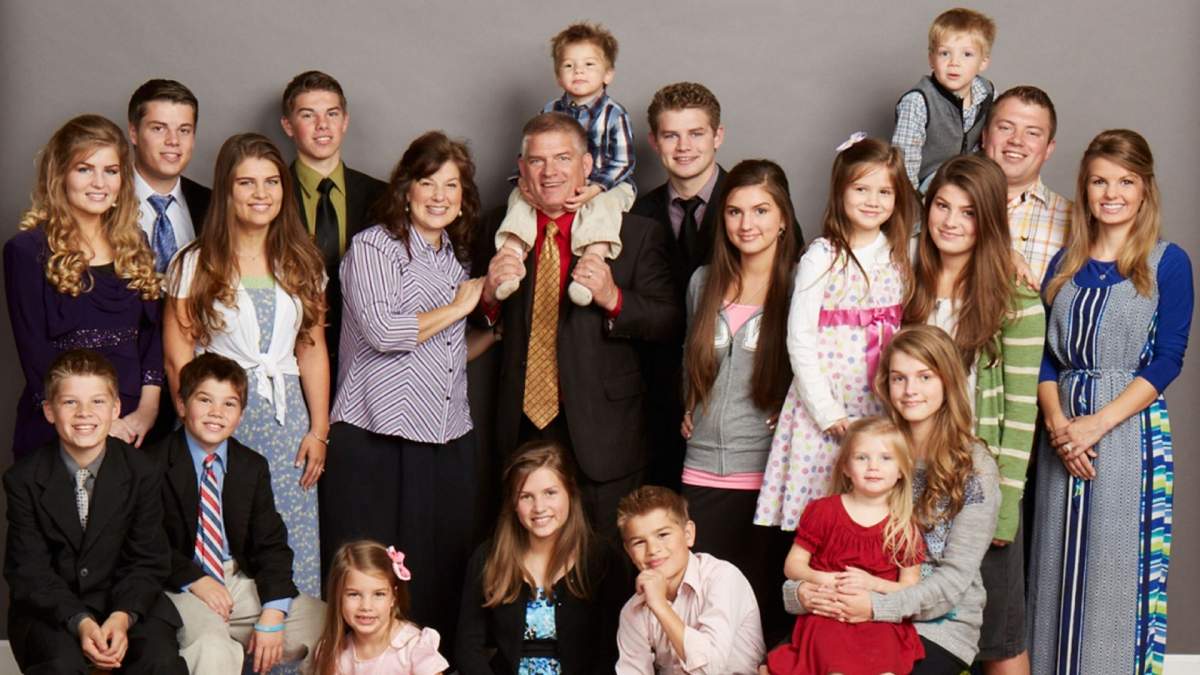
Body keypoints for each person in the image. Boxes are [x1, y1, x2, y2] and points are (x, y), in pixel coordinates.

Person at [1028, 129, 1193, 674]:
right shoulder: (1063, 264)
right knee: (1053, 567)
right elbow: (1043, 358)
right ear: (1085, 188)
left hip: (1127, 435)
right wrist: (1060, 426)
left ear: (1145, 189)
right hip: (1060, 437)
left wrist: (1095, 425)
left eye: (1125, 181)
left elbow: (1167, 360)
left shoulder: (1167, 262)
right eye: (1099, 181)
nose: (1111, 193)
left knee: (1116, 567)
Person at [474, 112, 682, 538]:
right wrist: (489, 296)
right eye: (537, 161)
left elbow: (669, 321)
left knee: (606, 555)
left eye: (563, 159)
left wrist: (613, 297)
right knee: (528, 550)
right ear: (522, 168)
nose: (549, 172)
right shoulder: (498, 229)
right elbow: (477, 321)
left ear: (587, 165)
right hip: (522, 425)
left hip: (605, 432)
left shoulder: (635, 232)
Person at [325, 130, 486, 657]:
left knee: (436, 572)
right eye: (428, 182)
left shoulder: (455, 257)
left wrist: (492, 333)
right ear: (406, 188)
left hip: (445, 437)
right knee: (372, 576)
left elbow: (442, 352)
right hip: (377, 436)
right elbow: (384, 331)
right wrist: (460, 308)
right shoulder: (375, 246)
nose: (440, 196)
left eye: (451, 185)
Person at [164, 132, 329, 598]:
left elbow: (312, 347)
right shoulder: (194, 263)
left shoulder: (302, 262)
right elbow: (178, 357)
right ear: (226, 190)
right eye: (247, 183)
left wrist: (318, 430)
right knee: (225, 531)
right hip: (218, 417)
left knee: (288, 535)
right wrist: (198, 429)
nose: (261, 194)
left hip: (286, 424)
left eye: (271, 181)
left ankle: (287, 639)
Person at [784, 326, 1001, 673]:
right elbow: (830, 546)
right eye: (899, 378)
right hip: (845, 612)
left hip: (937, 625)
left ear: (948, 381)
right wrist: (799, 595)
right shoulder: (872, 450)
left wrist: (875, 607)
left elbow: (954, 580)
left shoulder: (974, 467)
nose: (910, 390)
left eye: (925, 377)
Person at [904, 154, 1045, 673]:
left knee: (998, 638)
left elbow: (1021, 412)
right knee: (920, 623)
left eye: (968, 212)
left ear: (989, 221)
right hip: (912, 479)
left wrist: (1006, 506)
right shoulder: (906, 282)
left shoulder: (1015, 298)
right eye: (942, 206)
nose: (951, 222)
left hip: (978, 485)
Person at [757, 135, 916, 531]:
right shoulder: (822, 256)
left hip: (879, 405)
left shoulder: (900, 256)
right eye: (861, 189)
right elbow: (800, 339)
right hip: (826, 407)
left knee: (873, 513)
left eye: (884, 191)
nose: (872, 200)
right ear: (840, 191)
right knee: (823, 515)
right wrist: (827, 412)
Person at [3, 350, 185, 673]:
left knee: (159, 659)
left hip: (127, 602)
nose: (84, 413)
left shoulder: (143, 471)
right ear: (49, 411)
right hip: (53, 609)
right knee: (60, 664)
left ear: (115, 409)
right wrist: (80, 621)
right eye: (70, 402)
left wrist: (122, 616)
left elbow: (148, 560)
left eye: (97, 402)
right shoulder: (24, 478)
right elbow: (29, 570)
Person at [678, 159, 798, 640]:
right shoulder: (702, 282)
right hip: (700, 469)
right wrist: (689, 403)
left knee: (761, 615)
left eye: (761, 210)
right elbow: (689, 358)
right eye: (734, 211)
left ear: (783, 218)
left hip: (766, 477)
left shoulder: (802, 284)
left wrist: (790, 411)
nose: (747, 224)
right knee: (706, 614)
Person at [5, 114, 164, 459]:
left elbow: (152, 338)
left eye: (111, 170)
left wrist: (147, 411)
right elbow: (34, 354)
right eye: (84, 169)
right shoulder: (27, 250)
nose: (99, 183)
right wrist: (101, 424)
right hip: (63, 424)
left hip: (133, 426)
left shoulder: (135, 244)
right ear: (60, 174)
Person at [154, 353, 325, 673]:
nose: (216, 413)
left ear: (241, 415)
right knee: (214, 647)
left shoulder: (251, 466)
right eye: (205, 400)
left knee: (327, 624)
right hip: (177, 585)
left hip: (234, 579)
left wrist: (273, 612)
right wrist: (195, 579)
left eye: (229, 404)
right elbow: (146, 543)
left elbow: (272, 545)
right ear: (181, 404)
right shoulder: (151, 464)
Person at [766, 416, 925, 675]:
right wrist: (821, 578)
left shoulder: (904, 526)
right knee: (835, 666)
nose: (873, 466)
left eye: (886, 458)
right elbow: (793, 566)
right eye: (862, 457)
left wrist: (873, 584)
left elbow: (910, 587)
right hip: (827, 614)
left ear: (901, 471)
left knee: (885, 668)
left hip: (878, 619)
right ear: (846, 467)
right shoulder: (823, 511)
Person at [494, 21, 636, 307]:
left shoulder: (614, 114)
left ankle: (591, 264)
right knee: (518, 199)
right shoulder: (549, 110)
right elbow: (531, 151)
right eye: (569, 66)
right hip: (559, 185)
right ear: (558, 76)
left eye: (589, 64)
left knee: (604, 208)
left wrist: (595, 188)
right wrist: (523, 181)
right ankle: (511, 257)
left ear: (608, 74)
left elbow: (624, 161)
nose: (579, 71)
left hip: (609, 184)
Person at [630, 82, 727, 492]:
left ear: (718, 136)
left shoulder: (752, 205)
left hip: (729, 399)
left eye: (696, 133)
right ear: (654, 142)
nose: (684, 147)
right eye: (671, 135)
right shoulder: (635, 214)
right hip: (653, 399)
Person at [456, 442, 627, 673]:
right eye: (526, 496)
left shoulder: (602, 558)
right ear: (513, 503)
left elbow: (612, 650)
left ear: (570, 493)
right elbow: (468, 648)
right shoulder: (488, 557)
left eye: (550, 493)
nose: (539, 507)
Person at [279, 70, 386, 385]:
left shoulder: (382, 197)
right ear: (288, 126)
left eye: (332, 114)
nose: (322, 125)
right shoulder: (269, 195)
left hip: (367, 358)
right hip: (291, 357)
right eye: (308, 115)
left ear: (345, 121)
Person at [615, 485, 764, 674]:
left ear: (688, 534)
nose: (652, 549)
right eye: (639, 542)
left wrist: (660, 606)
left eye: (663, 535)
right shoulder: (633, 610)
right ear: (628, 551)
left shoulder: (722, 578)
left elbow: (710, 669)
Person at [892, 7, 996, 193]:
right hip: (925, 186)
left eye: (967, 54)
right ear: (931, 59)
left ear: (983, 62)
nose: (954, 63)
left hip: (968, 180)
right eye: (944, 53)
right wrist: (913, 204)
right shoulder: (918, 102)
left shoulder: (988, 93)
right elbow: (905, 165)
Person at [315, 540, 449, 675]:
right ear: (337, 597)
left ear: (394, 597)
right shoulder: (334, 654)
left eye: (379, 594)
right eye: (354, 594)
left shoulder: (414, 647)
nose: (366, 606)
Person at [980, 85, 1071, 285]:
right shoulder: (942, 207)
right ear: (984, 137)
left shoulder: (1075, 222)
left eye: (1032, 133)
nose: (1016, 140)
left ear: (1048, 149)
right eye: (1005, 128)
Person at [126, 78, 210, 273]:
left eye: (184, 130)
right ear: (134, 133)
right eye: (158, 128)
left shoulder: (212, 204)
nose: (173, 140)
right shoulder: (104, 200)